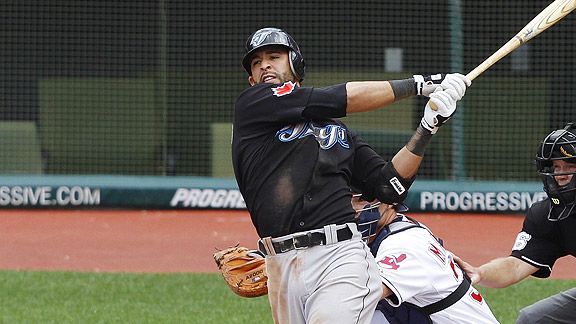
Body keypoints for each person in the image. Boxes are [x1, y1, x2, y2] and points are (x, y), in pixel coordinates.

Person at [232, 26, 471, 324]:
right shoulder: (252, 105)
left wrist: (426, 128)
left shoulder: (341, 133)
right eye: (256, 62)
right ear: (251, 79)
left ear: (295, 63)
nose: (264, 64)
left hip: (339, 256)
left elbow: (389, 187)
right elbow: (336, 99)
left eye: (274, 56)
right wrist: (418, 85)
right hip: (280, 264)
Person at [455, 122, 576, 324]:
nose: (560, 175)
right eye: (556, 166)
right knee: (532, 319)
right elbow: (516, 266)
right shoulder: (548, 214)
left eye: (570, 166)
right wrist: (479, 272)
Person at [353, 198, 499, 323]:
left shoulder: (403, 244)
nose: (352, 207)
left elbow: (356, 296)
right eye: (348, 199)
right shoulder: (397, 227)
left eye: (360, 200)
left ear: (389, 202)